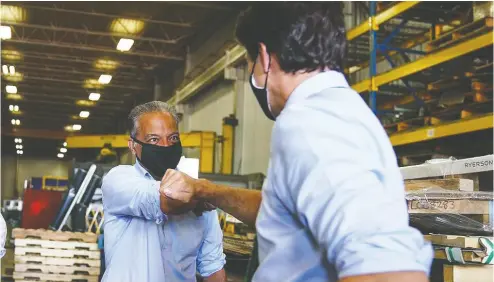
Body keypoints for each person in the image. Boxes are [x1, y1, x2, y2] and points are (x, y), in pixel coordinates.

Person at [161, 3, 433, 282]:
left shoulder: (311, 122)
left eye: (249, 66)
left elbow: (389, 270)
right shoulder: (340, 109)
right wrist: (205, 190)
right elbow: (281, 212)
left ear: (265, 57)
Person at [101, 101, 226, 282]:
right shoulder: (119, 180)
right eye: (154, 139)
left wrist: (202, 193)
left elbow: (212, 265)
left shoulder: (199, 194)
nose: (166, 146)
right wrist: (202, 195)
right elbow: (163, 201)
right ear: (132, 145)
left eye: (173, 138)